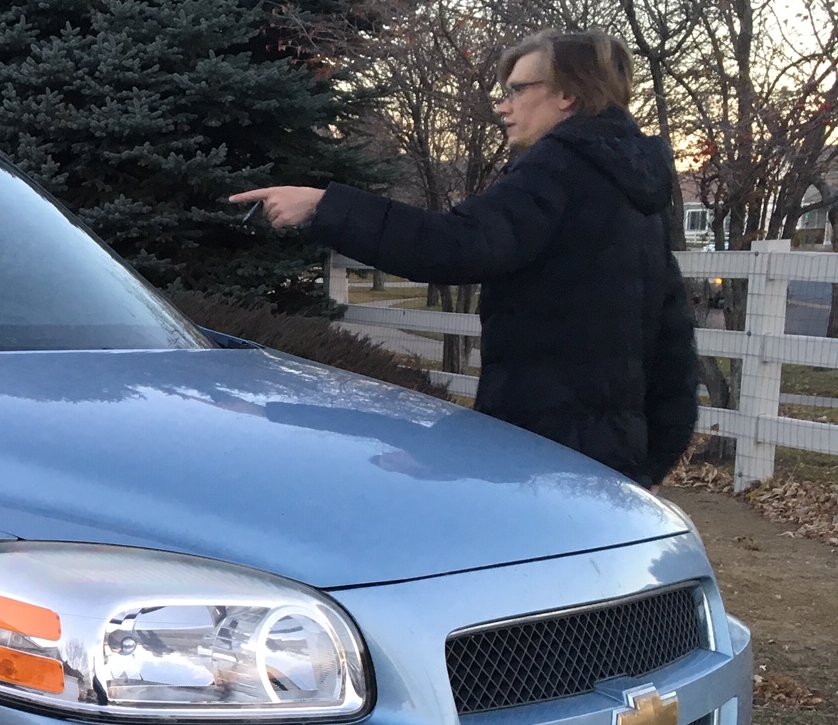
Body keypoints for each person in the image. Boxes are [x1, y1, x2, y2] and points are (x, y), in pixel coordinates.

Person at [231, 29, 698, 487]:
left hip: (539, 458)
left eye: (518, 89)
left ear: (567, 95)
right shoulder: (633, 188)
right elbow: (672, 337)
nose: (502, 105)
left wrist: (322, 206)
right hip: (611, 461)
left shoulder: (559, 165)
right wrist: (648, 467)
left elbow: (455, 244)